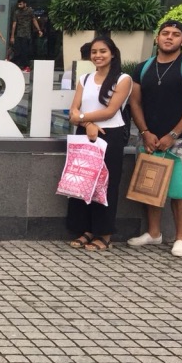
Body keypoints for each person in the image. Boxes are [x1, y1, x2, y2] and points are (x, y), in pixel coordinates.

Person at [127, 19, 182, 257]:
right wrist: (144, 132)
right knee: (149, 183)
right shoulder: (143, 68)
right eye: (165, 33)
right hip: (149, 137)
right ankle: (153, 233)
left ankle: (180, 238)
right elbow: (135, 102)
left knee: (179, 187)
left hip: (180, 138)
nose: (169, 37)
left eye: (175, 34)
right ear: (157, 38)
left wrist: (173, 134)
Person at [66, 36, 132, 252]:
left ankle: (104, 233)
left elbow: (110, 111)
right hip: (85, 134)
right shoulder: (84, 79)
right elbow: (72, 110)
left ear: (112, 53)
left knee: (105, 185)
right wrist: (86, 123)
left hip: (110, 134)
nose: (98, 55)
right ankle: (85, 229)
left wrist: (84, 118)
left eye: (103, 51)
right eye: (94, 52)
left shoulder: (123, 79)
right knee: (83, 182)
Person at [9, 0, 41, 72]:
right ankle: (19, 65)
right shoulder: (16, 12)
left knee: (25, 50)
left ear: (25, 4)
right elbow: (14, 24)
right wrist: (12, 36)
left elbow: (34, 20)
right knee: (18, 50)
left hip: (27, 34)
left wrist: (39, 29)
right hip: (19, 34)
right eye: (18, 4)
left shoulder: (29, 11)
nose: (19, 5)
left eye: (21, 4)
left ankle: (26, 66)